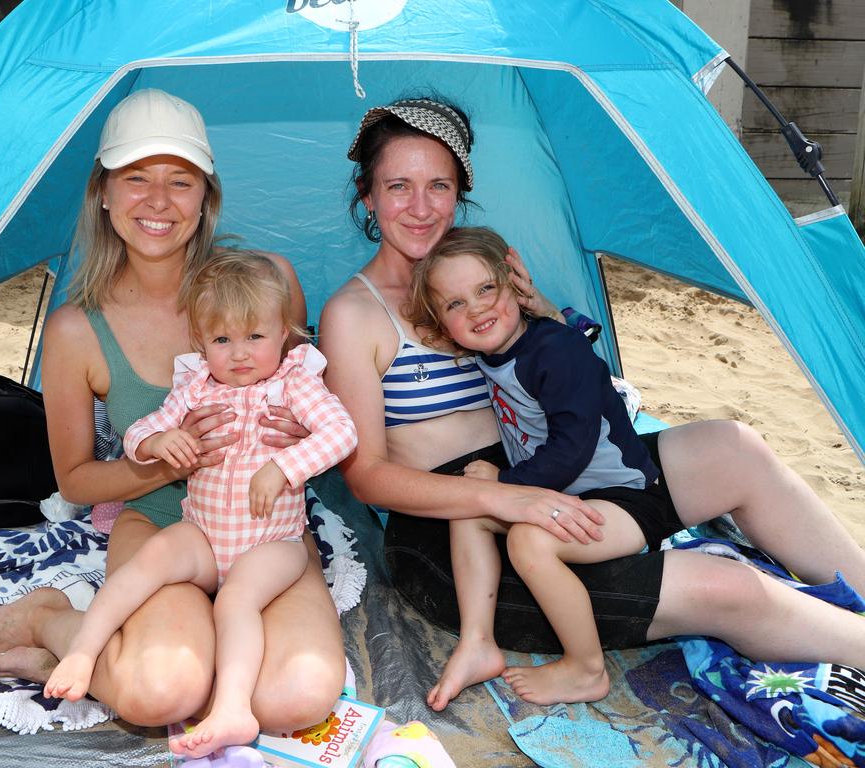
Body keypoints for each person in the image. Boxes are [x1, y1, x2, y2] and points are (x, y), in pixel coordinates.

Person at [317, 95, 865, 712]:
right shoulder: (353, 315)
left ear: (460, 192)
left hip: (553, 468)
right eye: (398, 186)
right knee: (726, 587)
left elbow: (571, 384)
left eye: (438, 185)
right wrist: (506, 494)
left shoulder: (482, 280)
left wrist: (544, 314)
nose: (420, 208)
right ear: (367, 196)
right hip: (460, 534)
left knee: (732, 447)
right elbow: (365, 476)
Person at [0, 89, 347, 733]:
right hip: (160, 526)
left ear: (207, 197)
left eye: (180, 182)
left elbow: (314, 407)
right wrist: (165, 457)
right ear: (102, 192)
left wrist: (293, 447)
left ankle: (151, 643)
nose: (158, 202)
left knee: (295, 699)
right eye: (135, 179)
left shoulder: (267, 281)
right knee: (161, 693)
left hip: (266, 529)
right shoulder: (77, 328)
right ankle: (50, 620)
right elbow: (75, 481)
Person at [43, 250, 356, 756]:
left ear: (283, 335)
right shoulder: (194, 386)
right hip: (205, 534)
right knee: (152, 560)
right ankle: (82, 650)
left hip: (271, 542)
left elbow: (341, 432)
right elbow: (145, 427)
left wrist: (286, 466)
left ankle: (232, 707)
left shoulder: (295, 382)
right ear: (201, 342)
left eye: (255, 337)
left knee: (239, 601)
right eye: (221, 340)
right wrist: (155, 445)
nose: (239, 354)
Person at [407, 225, 680, 706]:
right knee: (465, 507)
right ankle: (478, 643)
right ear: (443, 323)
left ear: (515, 284)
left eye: (486, 288)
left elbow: (572, 448)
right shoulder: (497, 351)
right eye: (455, 304)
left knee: (527, 541)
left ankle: (586, 667)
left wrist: (505, 483)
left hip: (624, 498)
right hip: (562, 493)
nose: (476, 308)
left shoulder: (554, 350)